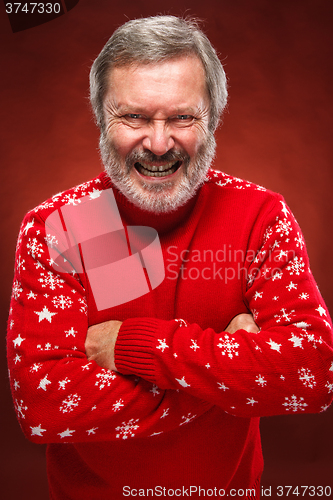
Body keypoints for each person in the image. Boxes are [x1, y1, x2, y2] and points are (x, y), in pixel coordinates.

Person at [7, 15, 333, 500]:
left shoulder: (259, 215)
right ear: (101, 118)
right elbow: (43, 406)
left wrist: (131, 345)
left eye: (182, 118)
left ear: (213, 118)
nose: (158, 145)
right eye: (134, 117)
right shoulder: (59, 227)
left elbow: (313, 374)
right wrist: (226, 384)